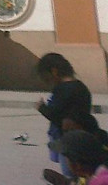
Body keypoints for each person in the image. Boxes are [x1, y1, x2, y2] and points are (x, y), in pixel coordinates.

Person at [37, 52, 95, 180]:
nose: (47, 82)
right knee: (82, 173)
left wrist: (41, 107)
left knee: (69, 174)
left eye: (46, 78)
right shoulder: (81, 87)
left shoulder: (62, 90)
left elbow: (56, 115)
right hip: (82, 135)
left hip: (67, 138)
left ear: (54, 72)